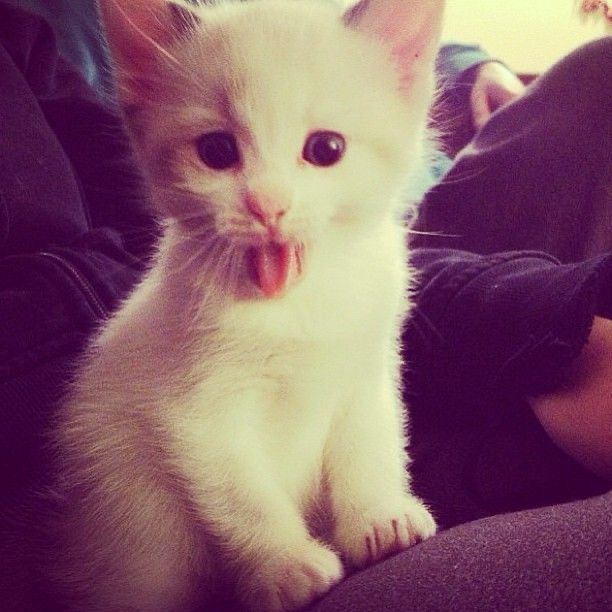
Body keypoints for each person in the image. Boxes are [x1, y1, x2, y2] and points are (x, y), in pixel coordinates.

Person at [0, 2, 609, 610]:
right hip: (170, 541)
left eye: (322, 149)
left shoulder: (379, 259)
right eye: (217, 151)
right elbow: (200, 421)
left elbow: (364, 384)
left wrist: (372, 504)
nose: (269, 200)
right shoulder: (194, 284)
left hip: (330, 483)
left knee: (598, 70)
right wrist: (269, 549)